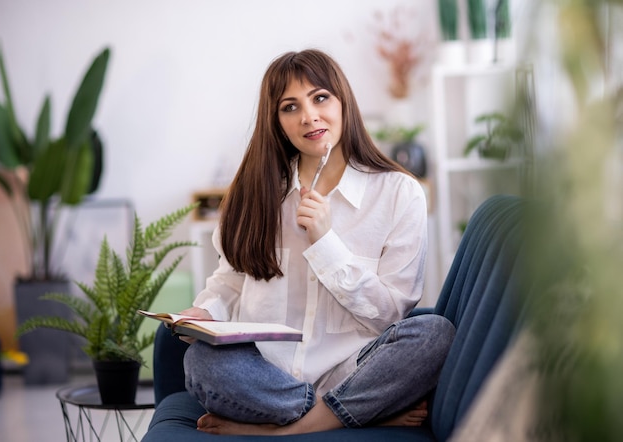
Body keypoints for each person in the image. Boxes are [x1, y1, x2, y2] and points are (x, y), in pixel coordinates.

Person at [180, 49, 455, 436]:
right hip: (267, 375)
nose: (308, 116)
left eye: (320, 97)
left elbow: (391, 314)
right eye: (290, 107)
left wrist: (326, 242)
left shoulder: (399, 194)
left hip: (354, 371)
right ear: (276, 122)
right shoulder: (252, 195)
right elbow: (229, 280)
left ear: (343, 101)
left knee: (434, 334)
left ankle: (284, 430)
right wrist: (204, 313)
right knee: (200, 361)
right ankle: (345, 416)